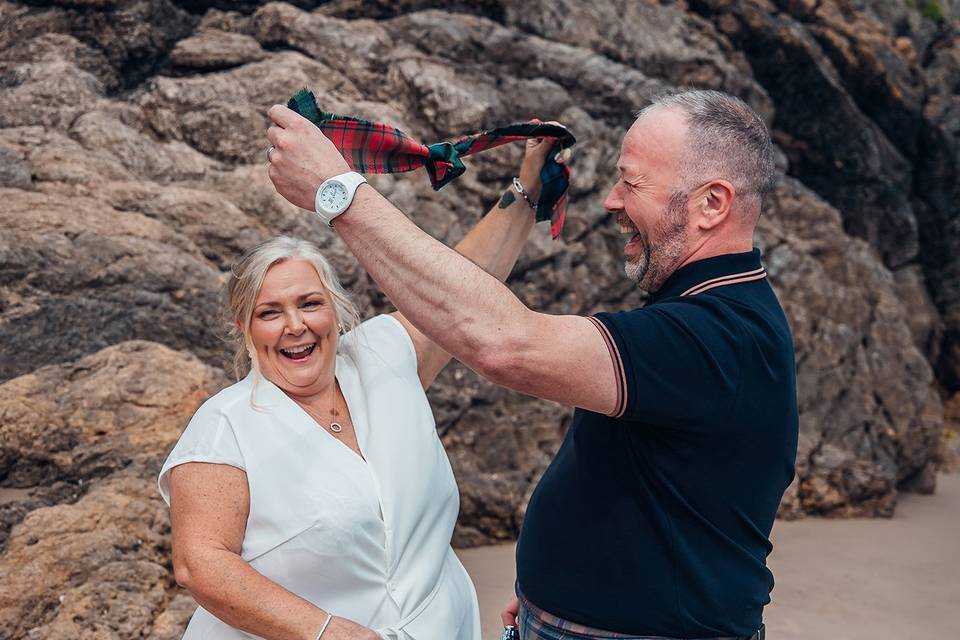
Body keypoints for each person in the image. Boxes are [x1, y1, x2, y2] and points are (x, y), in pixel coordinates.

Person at [266, 88, 799, 640]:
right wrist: (551, 593)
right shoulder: (700, 309)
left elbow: (503, 344)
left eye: (632, 182)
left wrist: (338, 192)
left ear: (712, 203)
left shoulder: (721, 337)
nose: (612, 201)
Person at [157, 135, 561, 640]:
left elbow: (462, 289)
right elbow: (202, 565)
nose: (295, 326)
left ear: (334, 308)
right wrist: (329, 632)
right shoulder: (225, 426)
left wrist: (528, 184)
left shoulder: (382, 357)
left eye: (309, 304)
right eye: (269, 313)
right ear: (245, 328)